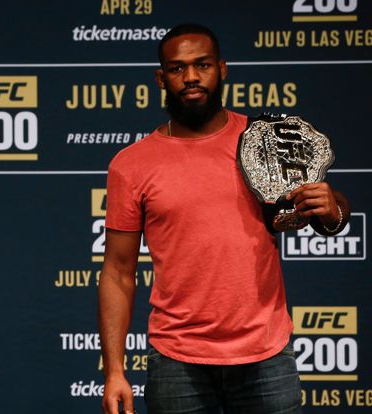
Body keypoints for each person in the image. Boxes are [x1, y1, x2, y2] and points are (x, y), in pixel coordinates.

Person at [98, 24, 350, 414]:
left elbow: (327, 212)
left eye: (202, 65)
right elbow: (116, 271)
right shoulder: (131, 165)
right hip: (177, 358)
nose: (192, 77)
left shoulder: (265, 139)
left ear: (222, 69)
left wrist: (333, 208)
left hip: (266, 353)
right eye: (178, 69)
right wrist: (114, 371)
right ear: (160, 78)